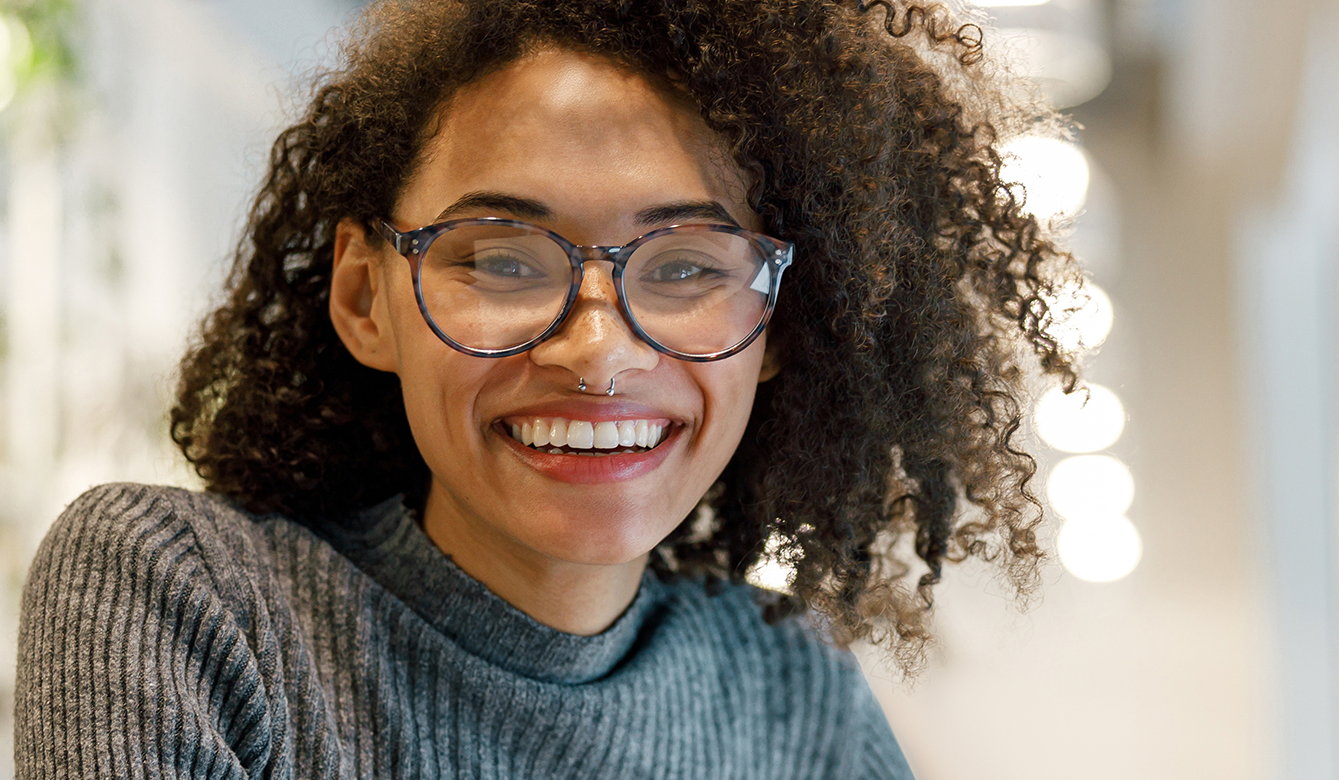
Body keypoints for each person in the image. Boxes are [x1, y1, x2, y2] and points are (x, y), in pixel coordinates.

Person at [13, 0, 1079, 776]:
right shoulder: (193, 604)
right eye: (504, 259)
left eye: (689, 268)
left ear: (777, 328)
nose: (599, 350)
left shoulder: (793, 699)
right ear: (363, 296)